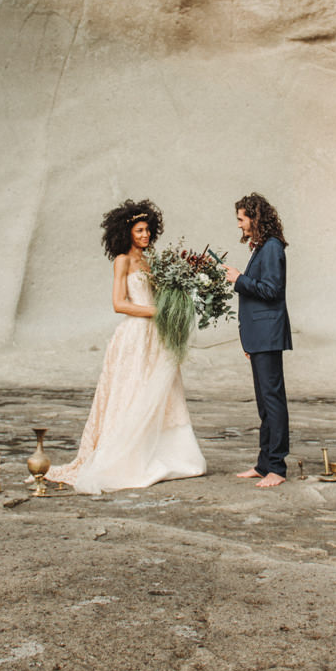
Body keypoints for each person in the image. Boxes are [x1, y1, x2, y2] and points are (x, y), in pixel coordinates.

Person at [47, 199, 207, 494]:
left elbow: (162, 295)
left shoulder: (152, 260)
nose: (145, 236)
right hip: (136, 335)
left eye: (148, 230)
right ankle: (126, 459)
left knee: (162, 392)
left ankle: (167, 456)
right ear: (128, 232)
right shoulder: (122, 260)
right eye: (140, 231)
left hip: (158, 336)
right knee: (132, 391)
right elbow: (119, 303)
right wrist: (158, 313)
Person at [221, 193, 291, 489]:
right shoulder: (263, 247)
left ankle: (277, 467)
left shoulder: (272, 247)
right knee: (264, 402)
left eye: (241, 219)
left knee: (273, 401)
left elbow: (272, 290)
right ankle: (264, 464)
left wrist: (238, 279)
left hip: (268, 336)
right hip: (258, 336)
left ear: (254, 218)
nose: (239, 225)